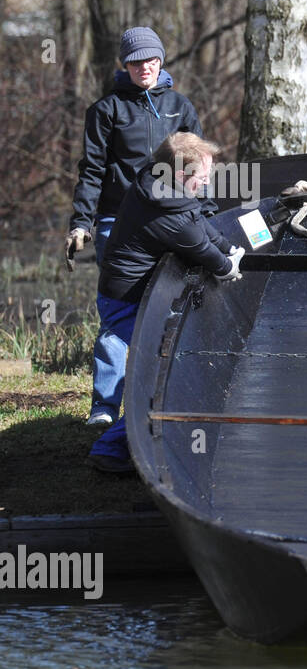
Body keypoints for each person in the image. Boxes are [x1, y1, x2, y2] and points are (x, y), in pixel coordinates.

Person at [67, 26, 203, 428]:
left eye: (152, 58)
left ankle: (164, 399)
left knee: (174, 311)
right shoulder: (106, 111)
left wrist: (206, 214)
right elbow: (91, 171)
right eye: (137, 60)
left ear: (161, 61)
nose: (145, 66)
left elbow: (199, 169)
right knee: (119, 315)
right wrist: (81, 222)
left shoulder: (181, 107)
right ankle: (105, 410)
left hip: (173, 221)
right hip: (117, 226)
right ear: (124, 65)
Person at [88, 132, 244, 475]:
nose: (207, 182)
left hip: (133, 292)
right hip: (125, 302)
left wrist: (227, 244)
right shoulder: (167, 215)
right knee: (162, 373)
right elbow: (201, 249)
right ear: (179, 175)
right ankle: (110, 449)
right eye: (202, 177)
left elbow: (200, 225)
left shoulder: (160, 184)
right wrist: (226, 265)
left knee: (167, 368)